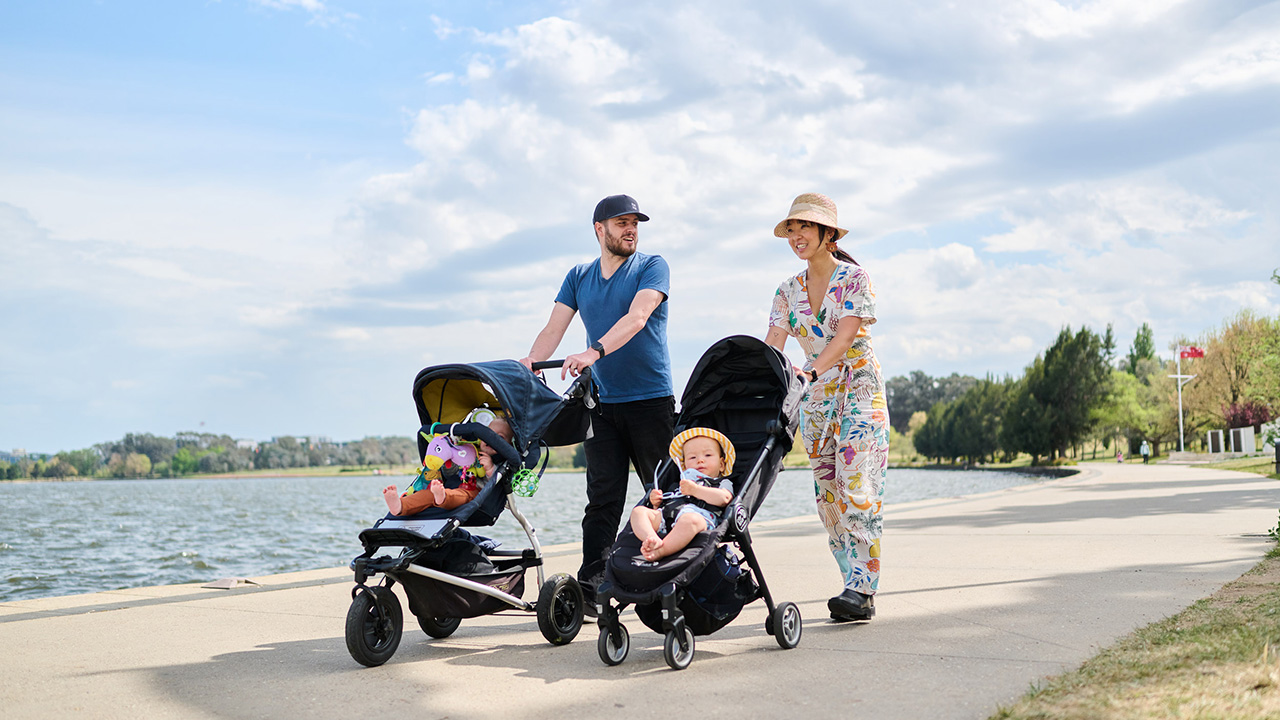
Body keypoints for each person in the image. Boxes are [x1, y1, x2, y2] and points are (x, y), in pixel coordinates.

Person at [519, 194, 675, 599]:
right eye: (621, 222)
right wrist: (533, 360)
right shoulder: (578, 276)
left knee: (664, 494)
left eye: (635, 223)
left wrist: (593, 351)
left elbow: (638, 318)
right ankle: (593, 586)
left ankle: (678, 575)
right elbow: (554, 327)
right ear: (599, 229)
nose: (630, 230)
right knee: (602, 497)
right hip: (601, 404)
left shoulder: (652, 267)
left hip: (650, 401)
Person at [764, 192, 888, 623]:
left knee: (858, 487)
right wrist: (759, 382)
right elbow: (773, 347)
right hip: (814, 401)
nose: (797, 236)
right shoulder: (786, 291)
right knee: (829, 497)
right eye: (792, 229)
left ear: (827, 233)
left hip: (858, 391)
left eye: (805, 227)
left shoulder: (854, 279)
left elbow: (844, 339)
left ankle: (862, 588)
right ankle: (849, 580)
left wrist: (809, 371)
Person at [630, 428, 736, 561]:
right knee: (639, 512)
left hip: (699, 519)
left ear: (721, 464)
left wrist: (695, 490)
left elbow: (724, 498)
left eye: (708, 455)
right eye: (692, 457)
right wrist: (656, 503)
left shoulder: (721, 482)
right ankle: (651, 538)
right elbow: (669, 501)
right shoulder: (680, 483)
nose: (700, 460)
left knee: (690, 520)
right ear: (684, 465)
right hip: (669, 516)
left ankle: (662, 550)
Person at [382, 418, 514, 516]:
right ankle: (400, 506)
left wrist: (491, 469)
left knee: (457, 495)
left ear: (509, 445)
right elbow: (452, 472)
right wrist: (450, 463)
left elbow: (502, 486)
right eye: (488, 434)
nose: (492, 439)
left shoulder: (503, 462)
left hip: (475, 493)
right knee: (427, 494)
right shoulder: (470, 450)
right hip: (447, 487)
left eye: (500, 437)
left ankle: (442, 497)